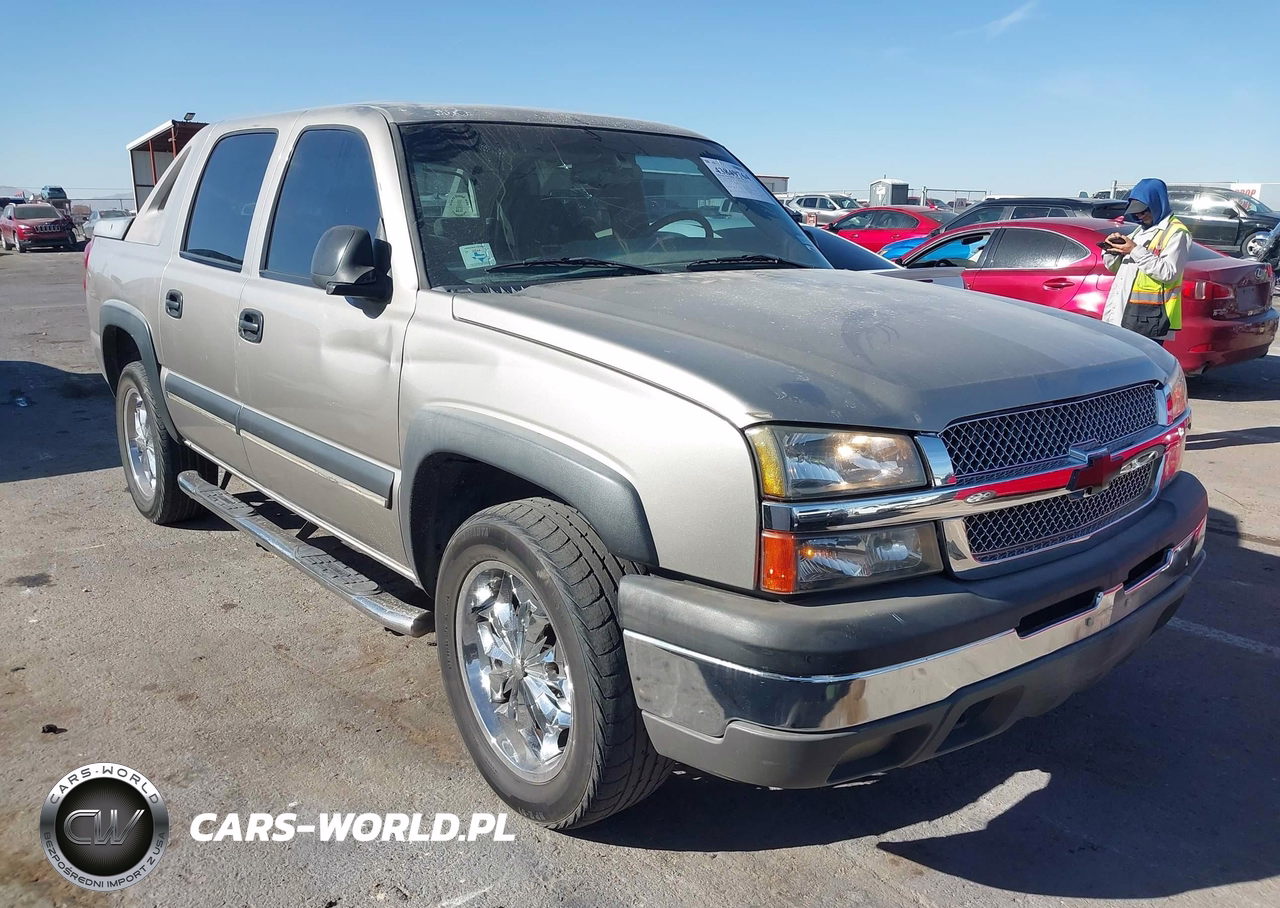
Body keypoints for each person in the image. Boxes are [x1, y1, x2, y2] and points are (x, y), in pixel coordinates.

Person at [1101, 178, 1192, 346]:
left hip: (1148, 318)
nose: (1139, 216)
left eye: (1144, 211)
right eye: (1136, 212)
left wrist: (1134, 250)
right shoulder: (1140, 230)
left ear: (1157, 204)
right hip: (1122, 313)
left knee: (1144, 368)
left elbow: (1169, 273)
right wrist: (1111, 250)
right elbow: (1117, 269)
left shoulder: (1177, 233)